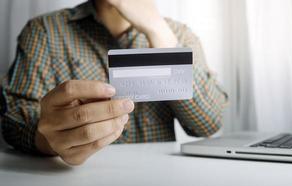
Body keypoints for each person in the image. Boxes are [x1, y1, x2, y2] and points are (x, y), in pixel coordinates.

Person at [0, 0, 228, 165]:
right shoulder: (45, 31)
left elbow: (208, 124)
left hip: (163, 180)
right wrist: (49, 140)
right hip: (76, 183)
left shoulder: (179, 34)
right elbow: (13, 121)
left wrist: (160, 33)